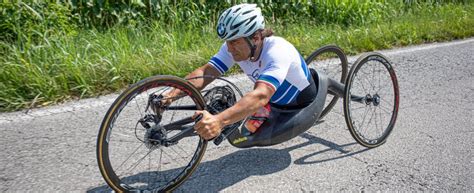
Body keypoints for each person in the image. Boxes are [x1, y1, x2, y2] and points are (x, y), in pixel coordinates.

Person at [160, 4, 317, 140]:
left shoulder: (277, 51)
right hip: (271, 101)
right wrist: (169, 96)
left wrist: (219, 121)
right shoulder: (238, 48)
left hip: (298, 101)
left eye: (234, 41)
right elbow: (206, 72)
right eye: (227, 41)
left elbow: (261, 95)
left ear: (255, 37)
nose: (229, 48)